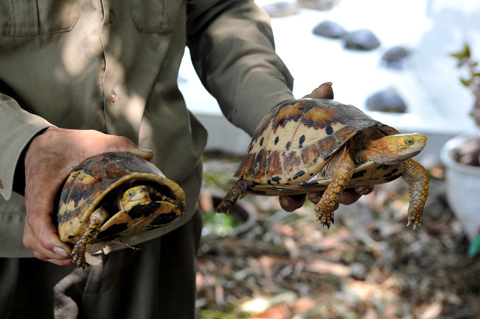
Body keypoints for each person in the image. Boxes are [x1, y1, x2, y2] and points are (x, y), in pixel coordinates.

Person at [0, 1, 372, 318]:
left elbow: (219, 11)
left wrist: (280, 120)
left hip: (160, 214)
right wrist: (26, 144)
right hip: (14, 231)